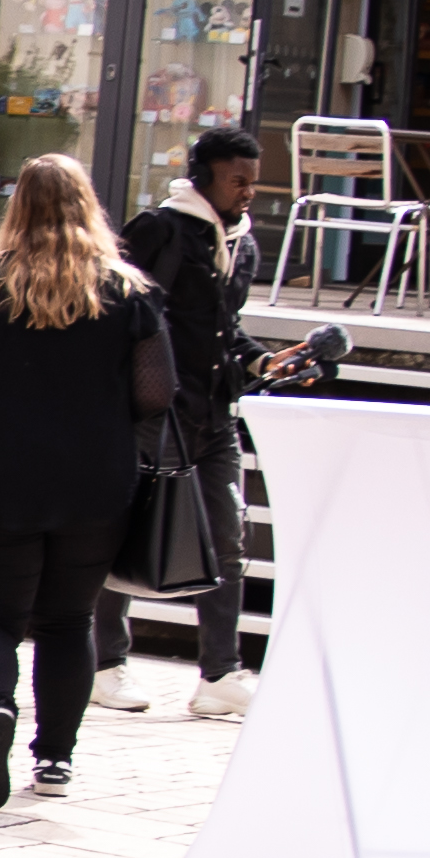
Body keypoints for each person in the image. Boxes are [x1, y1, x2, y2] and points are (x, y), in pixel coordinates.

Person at [0, 151, 176, 810]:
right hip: (94, 485)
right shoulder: (128, 294)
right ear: (88, 207)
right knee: (68, 621)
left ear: (16, 210)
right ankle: (56, 760)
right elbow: (157, 393)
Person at [114, 125, 274, 713]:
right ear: (204, 176)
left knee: (226, 541)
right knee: (126, 535)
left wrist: (260, 358)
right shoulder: (159, 229)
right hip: (156, 412)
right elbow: (120, 311)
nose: (248, 192)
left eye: (253, 181)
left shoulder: (243, 242)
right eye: (239, 180)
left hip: (213, 414)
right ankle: (107, 664)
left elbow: (223, 328)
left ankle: (219, 676)